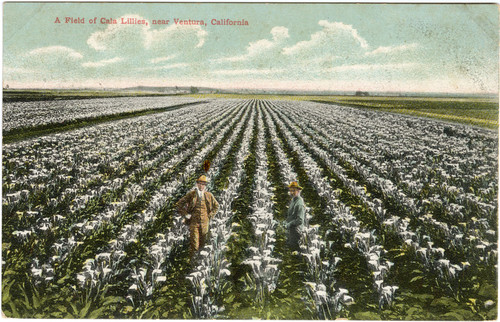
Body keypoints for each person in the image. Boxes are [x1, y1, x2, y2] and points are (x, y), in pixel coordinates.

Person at [176, 175, 219, 259]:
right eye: (200, 184)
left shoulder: (209, 195)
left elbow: (216, 206)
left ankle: (200, 264)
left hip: (204, 223)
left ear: (205, 185)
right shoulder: (191, 194)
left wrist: (210, 215)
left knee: (203, 245)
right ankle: (192, 264)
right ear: (197, 184)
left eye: (203, 184)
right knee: (194, 245)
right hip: (194, 223)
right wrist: (185, 214)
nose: (201, 186)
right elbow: (179, 204)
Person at [285, 181, 305, 252]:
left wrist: (290, 224)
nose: (292, 192)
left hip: (296, 231)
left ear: (298, 190)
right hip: (292, 229)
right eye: (290, 191)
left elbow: (300, 220)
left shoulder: (299, 203)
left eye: (293, 191)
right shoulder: (294, 200)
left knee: (294, 250)